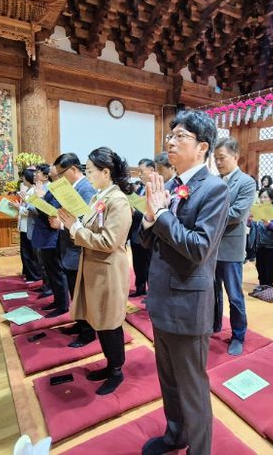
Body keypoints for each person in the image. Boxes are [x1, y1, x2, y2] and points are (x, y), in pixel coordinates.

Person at [139, 109, 229, 455]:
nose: (171, 142)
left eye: (181, 136)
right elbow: (146, 241)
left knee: (192, 388)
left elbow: (199, 248)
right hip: (162, 298)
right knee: (169, 380)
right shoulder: (171, 186)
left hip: (188, 304)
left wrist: (162, 214)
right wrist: (149, 217)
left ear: (203, 147)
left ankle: (200, 450)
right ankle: (175, 435)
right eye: (170, 135)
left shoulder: (214, 189)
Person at [57, 147, 133, 395]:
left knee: (110, 323)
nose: (87, 175)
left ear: (106, 172)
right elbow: (90, 230)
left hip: (108, 272)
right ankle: (110, 365)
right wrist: (72, 225)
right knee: (99, 321)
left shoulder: (118, 201)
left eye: (90, 171)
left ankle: (117, 371)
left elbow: (109, 241)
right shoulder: (99, 198)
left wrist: (76, 228)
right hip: (94, 269)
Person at [212, 137, 256, 355]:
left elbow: (237, 213)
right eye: (216, 159)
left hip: (231, 248)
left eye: (222, 158)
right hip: (210, 247)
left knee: (234, 295)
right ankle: (214, 326)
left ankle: (238, 335)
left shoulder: (246, 182)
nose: (218, 162)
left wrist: (208, 216)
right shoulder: (214, 181)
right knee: (212, 292)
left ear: (235, 156)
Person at [49, 153, 97, 345]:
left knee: (82, 294)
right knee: (75, 292)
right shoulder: (74, 188)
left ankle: (88, 332)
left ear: (74, 169)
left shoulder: (86, 189)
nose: (59, 178)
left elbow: (87, 222)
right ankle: (80, 323)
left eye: (61, 174)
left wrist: (61, 225)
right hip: (69, 248)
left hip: (78, 251)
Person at [28, 164, 67, 315]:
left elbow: (53, 212)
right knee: (51, 271)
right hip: (45, 233)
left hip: (52, 234)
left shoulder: (59, 188)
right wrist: (40, 199)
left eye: (54, 166)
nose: (51, 168)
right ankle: (57, 300)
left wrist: (39, 199)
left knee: (57, 271)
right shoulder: (52, 187)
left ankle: (63, 305)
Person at [128, 158, 155, 298]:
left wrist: (135, 211)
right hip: (135, 232)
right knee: (137, 262)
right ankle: (140, 288)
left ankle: (152, 293)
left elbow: (151, 211)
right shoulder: (139, 189)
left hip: (148, 233)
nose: (139, 174)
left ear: (151, 170)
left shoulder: (155, 189)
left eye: (141, 171)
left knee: (148, 264)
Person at [249, 188, 273, 288]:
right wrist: (249, 220)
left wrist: (269, 224)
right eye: (261, 197)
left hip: (271, 245)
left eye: (265, 197)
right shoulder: (257, 209)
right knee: (260, 266)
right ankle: (262, 285)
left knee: (269, 267)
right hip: (258, 244)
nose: (262, 199)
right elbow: (252, 225)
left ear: (271, 199)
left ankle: (269, 287)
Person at [11, 169, 41, 283]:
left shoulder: (34, 191)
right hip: (24, 225)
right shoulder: (28, 190)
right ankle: (28, 274)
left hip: (30, 225)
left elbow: (31, 211)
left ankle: (34, 276)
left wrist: (19, 207)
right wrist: (19, 206)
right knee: (25, 252)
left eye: (23, 177)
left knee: (30, 252)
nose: (22, 179)